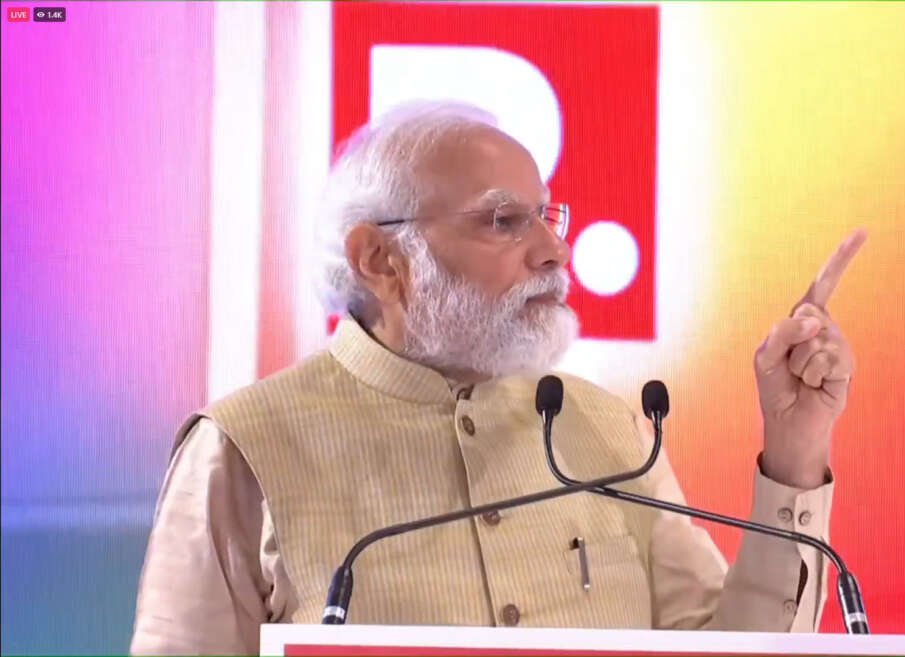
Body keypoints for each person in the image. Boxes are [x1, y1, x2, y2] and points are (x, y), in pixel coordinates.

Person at [130, 100, 866, 655]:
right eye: (503, 221)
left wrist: (796, 445)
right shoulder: (242, 447)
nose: (553, 250)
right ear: (381, 259)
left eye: (547, 217)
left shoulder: (606, 429)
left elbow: (736, 650)